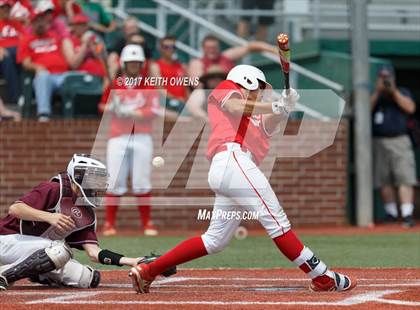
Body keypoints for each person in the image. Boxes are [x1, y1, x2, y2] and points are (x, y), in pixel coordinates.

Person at [128, 64, 357, 293]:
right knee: (278, 223)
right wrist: (274, 104)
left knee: (214, 241)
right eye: (258, 88)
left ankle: (148, 271)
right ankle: (322, 277)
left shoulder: (255, 111)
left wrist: (284, 108)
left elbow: (268, 125)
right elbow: (236, 106)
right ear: (247, 80)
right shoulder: (227, 88)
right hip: (232, 159)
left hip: (232, 168)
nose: (261, 93)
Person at [0, 154, 176, 290]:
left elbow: (94, 252)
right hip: (7, 240)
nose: (99, 186)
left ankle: (38, 274)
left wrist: (134, 261)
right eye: (94, 180)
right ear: (79, 177)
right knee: (59, 250)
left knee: (88, 279)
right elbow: (15, 209)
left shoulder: (86, 214)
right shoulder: (55, 188)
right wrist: (50, 216)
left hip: (39, 251)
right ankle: (6, 275)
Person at [100, 45, 160, 237]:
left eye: (137, 62)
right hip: (118, 136)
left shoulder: (148, 85)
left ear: (142, 64)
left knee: (141, 181)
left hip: (142, 135)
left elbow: (154, 111)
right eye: (130, 62)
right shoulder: (116, 84)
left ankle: (147, 223)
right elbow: (101, 105)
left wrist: (132, 112)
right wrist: (111, 107)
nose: (133, 65)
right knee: (115, 180)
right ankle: (109, 224)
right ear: (124, 64)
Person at [371, 66, 417, 228]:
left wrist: (393, 91)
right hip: (379, 141)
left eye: (387, 78)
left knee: (405, 177)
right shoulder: (374, 95)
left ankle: (406, 214)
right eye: (382, 78)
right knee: (384, 179)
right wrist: (377, 92)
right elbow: (364, 110)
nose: (385, 81)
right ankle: (391, 213)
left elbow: (410, 108)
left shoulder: (402, 91)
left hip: (400, 140)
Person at [17, 10, 69, 121]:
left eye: (42, 21)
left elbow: (66, 55)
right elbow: (25, 63)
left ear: (47, 23)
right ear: (31, 24)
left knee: (77, 79)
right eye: (36, 21)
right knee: (43, 77)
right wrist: (37, 67)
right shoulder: (26, 40)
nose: (40, 23)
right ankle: (44, 115)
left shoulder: (55, 36)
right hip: (46, 75)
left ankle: (77, 115)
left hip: (64, 75)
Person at [187, 34, 277, 83]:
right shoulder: (197, 63)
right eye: (208, 48)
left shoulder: (226, 56)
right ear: (203, 48)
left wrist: (274, 50)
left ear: (218, 48)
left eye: (214, 47)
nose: (212, 50)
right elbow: (198, 85)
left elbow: (251, 47)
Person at [62, 14, 107, 79]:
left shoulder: (94, 38)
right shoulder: (68, 41)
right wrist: (85, 44)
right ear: (73, 26)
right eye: (79, 24)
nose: (83, 27)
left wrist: (93, 45)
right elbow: (73, 65)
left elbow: (102, 58)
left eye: (84, 24)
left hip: (99, 75)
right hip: (82, 77)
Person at [155, 35, 189, 113]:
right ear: (160, 48)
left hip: (182, 103)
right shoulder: (156, 66)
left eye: (173, 47)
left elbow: (186, 89)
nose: (170, 50)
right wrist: (177, 99)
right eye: (166, 47)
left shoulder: (181, 66)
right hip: (166, 103)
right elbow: (160, 89)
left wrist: (189, 102)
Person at [0, 0, 24, 104]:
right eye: (3, 8)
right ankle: (17, 97)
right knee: (7, 58)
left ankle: (27, 95)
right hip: (3, 52)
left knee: (24, 59)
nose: (6, 10)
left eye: (8, 8)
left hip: (18, 50)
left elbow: (24, 39)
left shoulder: (16, 23)